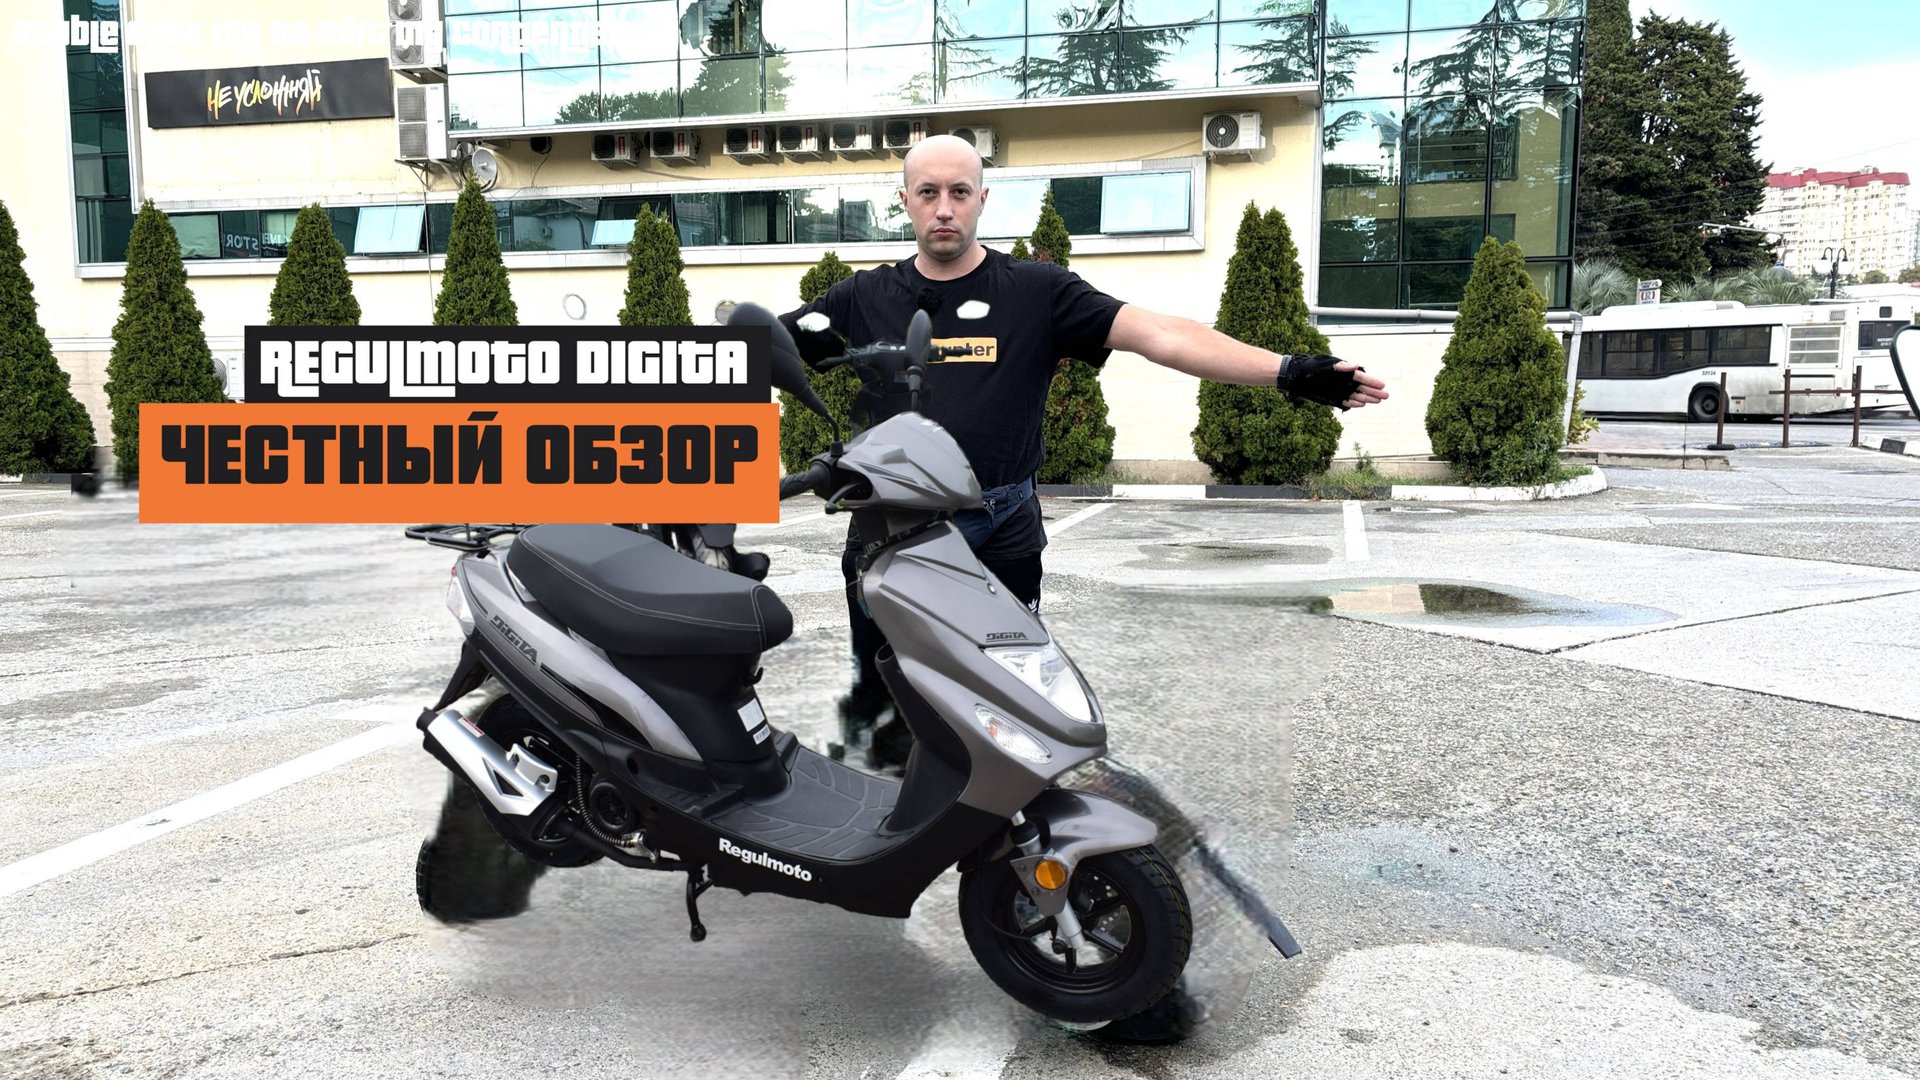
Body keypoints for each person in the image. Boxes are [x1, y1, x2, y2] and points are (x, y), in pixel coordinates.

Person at [780, 134, 1388, 766]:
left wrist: (1288, 371)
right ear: (904, 200)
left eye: (959, 192)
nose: (944, 209)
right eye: (928, 193)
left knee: (1012, 694)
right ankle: (889, 799)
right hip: (895, 533)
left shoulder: (1036, 291)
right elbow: (752, 354)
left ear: (983, 199)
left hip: (1003, 524)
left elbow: (1161, 334)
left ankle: (1001, 819)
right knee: (889, 697)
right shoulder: (862, 299)